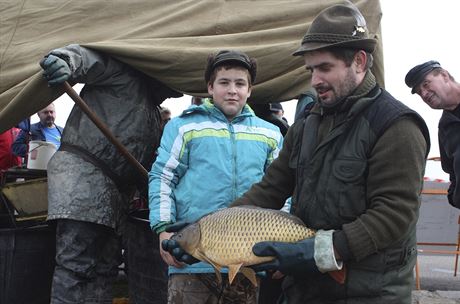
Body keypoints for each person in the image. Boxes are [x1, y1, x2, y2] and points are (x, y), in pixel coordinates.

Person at [220, 4, 429, 303]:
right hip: (304, 290)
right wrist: (207, 227)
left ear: (359, 61)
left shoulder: (395, 125)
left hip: (369, 293)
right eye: (311, 69)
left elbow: (394, 214)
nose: (314, 80)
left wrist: (322, 250)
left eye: (325, 68)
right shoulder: (306, 124)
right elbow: (270, 189)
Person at [39, 44, 181, 304]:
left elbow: (149, 169)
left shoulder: (152, 113)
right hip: (81, 182)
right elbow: (87, 59)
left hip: (115, 198)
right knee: (76, 266)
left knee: (105, 268)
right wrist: (65, 60)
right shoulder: (121, 72)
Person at [150, 50, 283, 304]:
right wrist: (164, 229)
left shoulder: (271, 134)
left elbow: (284, 190)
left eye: (240, 83)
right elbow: (162, 177)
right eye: (224, 82)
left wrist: (281, 248)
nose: (232, 90)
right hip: (191, 262)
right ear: (210, 87)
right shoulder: (182, 127)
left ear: (250, 90)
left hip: (248, 263)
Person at [405, 60, 460, 209]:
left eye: (426, 84)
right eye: (419, 92)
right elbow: (452, 174)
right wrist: (455, 197)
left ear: (444, 75)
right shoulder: (445, 129)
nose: (423, 94)